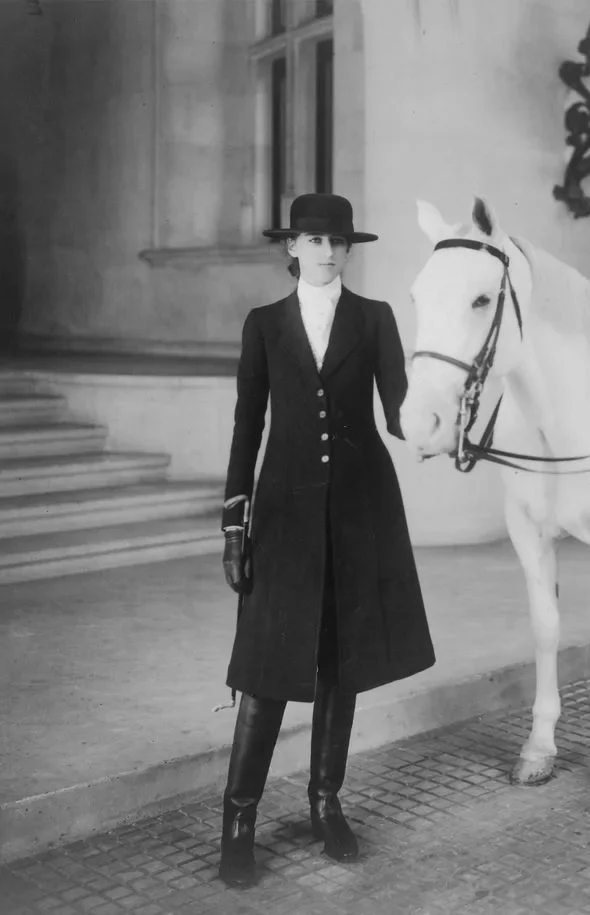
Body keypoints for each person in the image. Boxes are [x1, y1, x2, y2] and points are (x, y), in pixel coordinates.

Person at [217, 193, 435, 887]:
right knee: (264, 668)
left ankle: (325, 801)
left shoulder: (375, 319)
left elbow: (400, 410)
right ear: (294, 247)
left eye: (339, 240)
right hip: (282, 515)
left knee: (341, 661)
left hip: (359, 510)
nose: (329, 250)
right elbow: (247, 425)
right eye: (316, 240)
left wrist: (439, 420)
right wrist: (234, 520)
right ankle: (239, 820)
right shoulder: (264, 325)